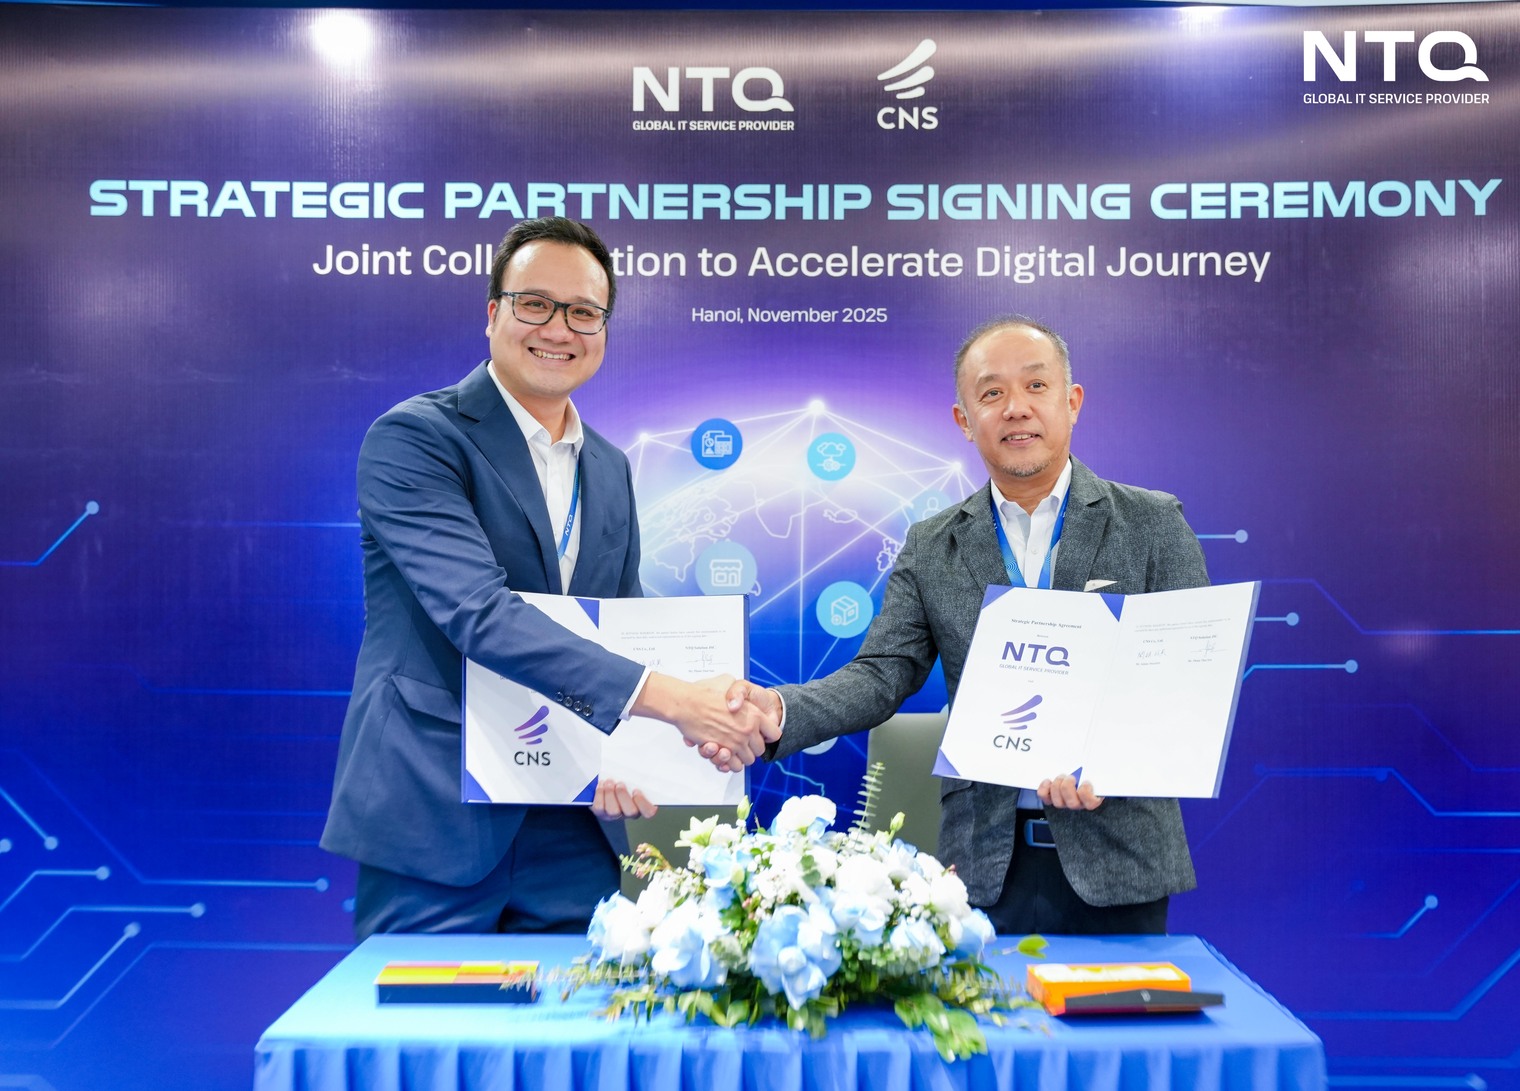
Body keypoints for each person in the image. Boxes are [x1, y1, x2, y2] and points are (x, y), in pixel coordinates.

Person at [321, 216, 775, 941]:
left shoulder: (609, 466)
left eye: (584, 312)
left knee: (582, 1008)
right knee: (422, 1012)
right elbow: (478, 612)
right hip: (438, 811)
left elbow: (621, 622)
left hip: (573, 814)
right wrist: (677, 702)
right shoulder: (416, 438)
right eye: (535, 304)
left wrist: (650, 748)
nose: (559, 329)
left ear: (604, 329)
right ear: (493, 312)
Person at [727, 316, 1209, 936]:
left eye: (1036, 386)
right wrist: (777, 709)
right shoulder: (933, 544)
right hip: (982, 868)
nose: (1016, 408)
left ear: (1072, 401)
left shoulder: (1151, 523)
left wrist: (1112, 766)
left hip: (1121, 861)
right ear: (963, 419)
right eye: (991, 393)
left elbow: (1188, 681)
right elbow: (882, 674)